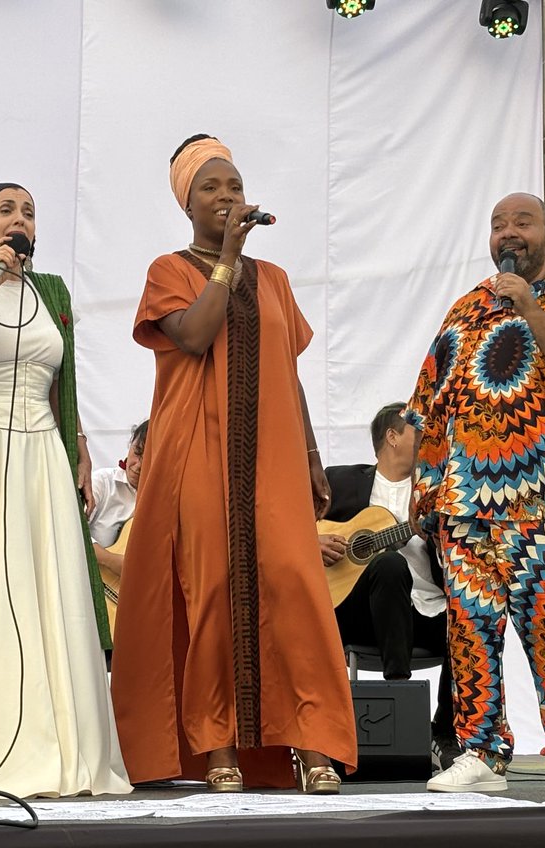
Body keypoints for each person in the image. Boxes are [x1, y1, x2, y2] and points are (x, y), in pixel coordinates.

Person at [111, 135, 358, 794]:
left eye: (234, 185)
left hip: (273, 454)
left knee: (293, 586)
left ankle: (311, 742)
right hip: (197, 453)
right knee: (213, 591)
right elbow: (193, 335)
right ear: (186, 202)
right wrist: (226, 260)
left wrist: (309, 454)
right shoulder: (169, 270)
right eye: (210, 188)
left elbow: (290, 373)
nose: (226, 196)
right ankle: (217, 745)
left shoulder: (274, 280)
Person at [0, 182, 131, 799]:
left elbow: (60, 382)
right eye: (6, 210)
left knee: (48, 593)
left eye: (29, 212)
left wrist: (82, 448)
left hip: (42, 454)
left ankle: (59, 742)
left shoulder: (52, 296)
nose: (20, 220)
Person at [408, 192, 545, 793]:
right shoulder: (464, 312)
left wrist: (530, 308)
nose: (509, 232)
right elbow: (428, 404)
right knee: (470, 634)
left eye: (522, 222)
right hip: (465, 504)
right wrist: (425, 490)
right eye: (498, 224)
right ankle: (480, 752)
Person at [320, 401, 455, 766]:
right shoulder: (341, 480)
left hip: (425, 611)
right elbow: (288, 521)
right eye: (418, 431)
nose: (429, 438)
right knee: (390, 563)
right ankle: (401, 699)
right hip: (359, 612)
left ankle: (444, 733)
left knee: (473, 620)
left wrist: (440, 531)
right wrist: (311, 541)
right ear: (392, 437)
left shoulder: (440, 490)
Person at [88, 419, 148, 578]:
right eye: (137, 452)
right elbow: (72, 531)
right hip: (92, 582)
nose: (139, 465)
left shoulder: (165, 502)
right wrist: (110, 560)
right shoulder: (102, 482)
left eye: (149, 459)